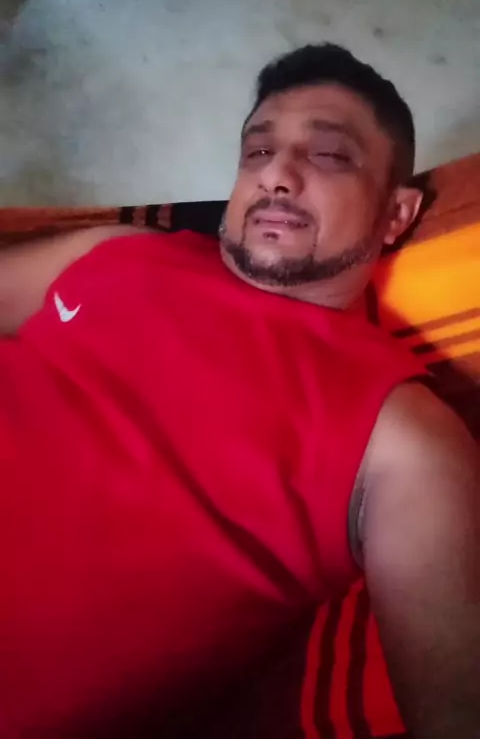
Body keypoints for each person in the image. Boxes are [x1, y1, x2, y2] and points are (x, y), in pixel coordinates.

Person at [0, 44, 478, 739]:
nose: (274, 175)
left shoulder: (403, 438)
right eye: (257, 152)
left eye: (329, 156)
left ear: (397, 214)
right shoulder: (115, 250)